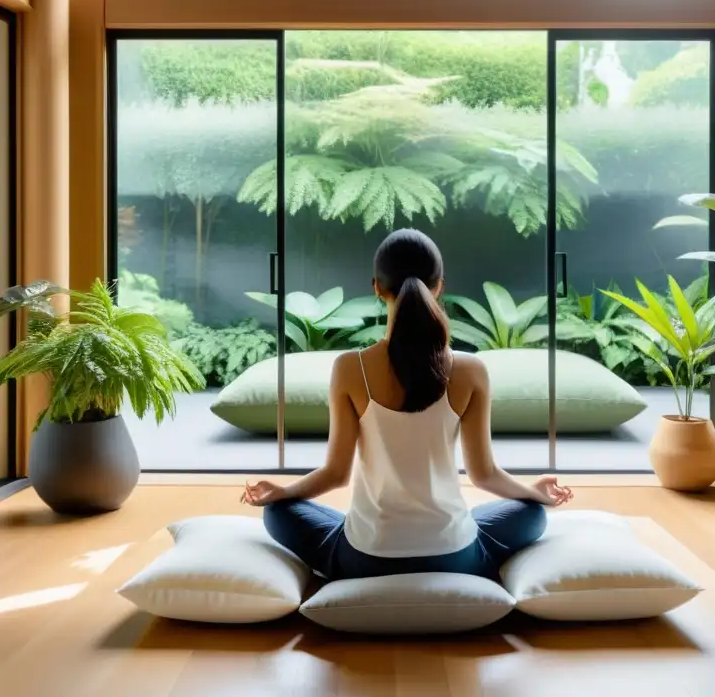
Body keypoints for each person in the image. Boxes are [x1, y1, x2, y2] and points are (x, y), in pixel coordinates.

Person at [241, 228, 572, 582]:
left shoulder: (350, 368)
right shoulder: (472, 370)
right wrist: (533, 493)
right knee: (532, 514)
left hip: (365, 558)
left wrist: (283, 492)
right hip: (454, 556)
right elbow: (484, 475)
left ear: (377, 288)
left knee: (277, 513)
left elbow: (336, 474)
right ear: (439, 286)